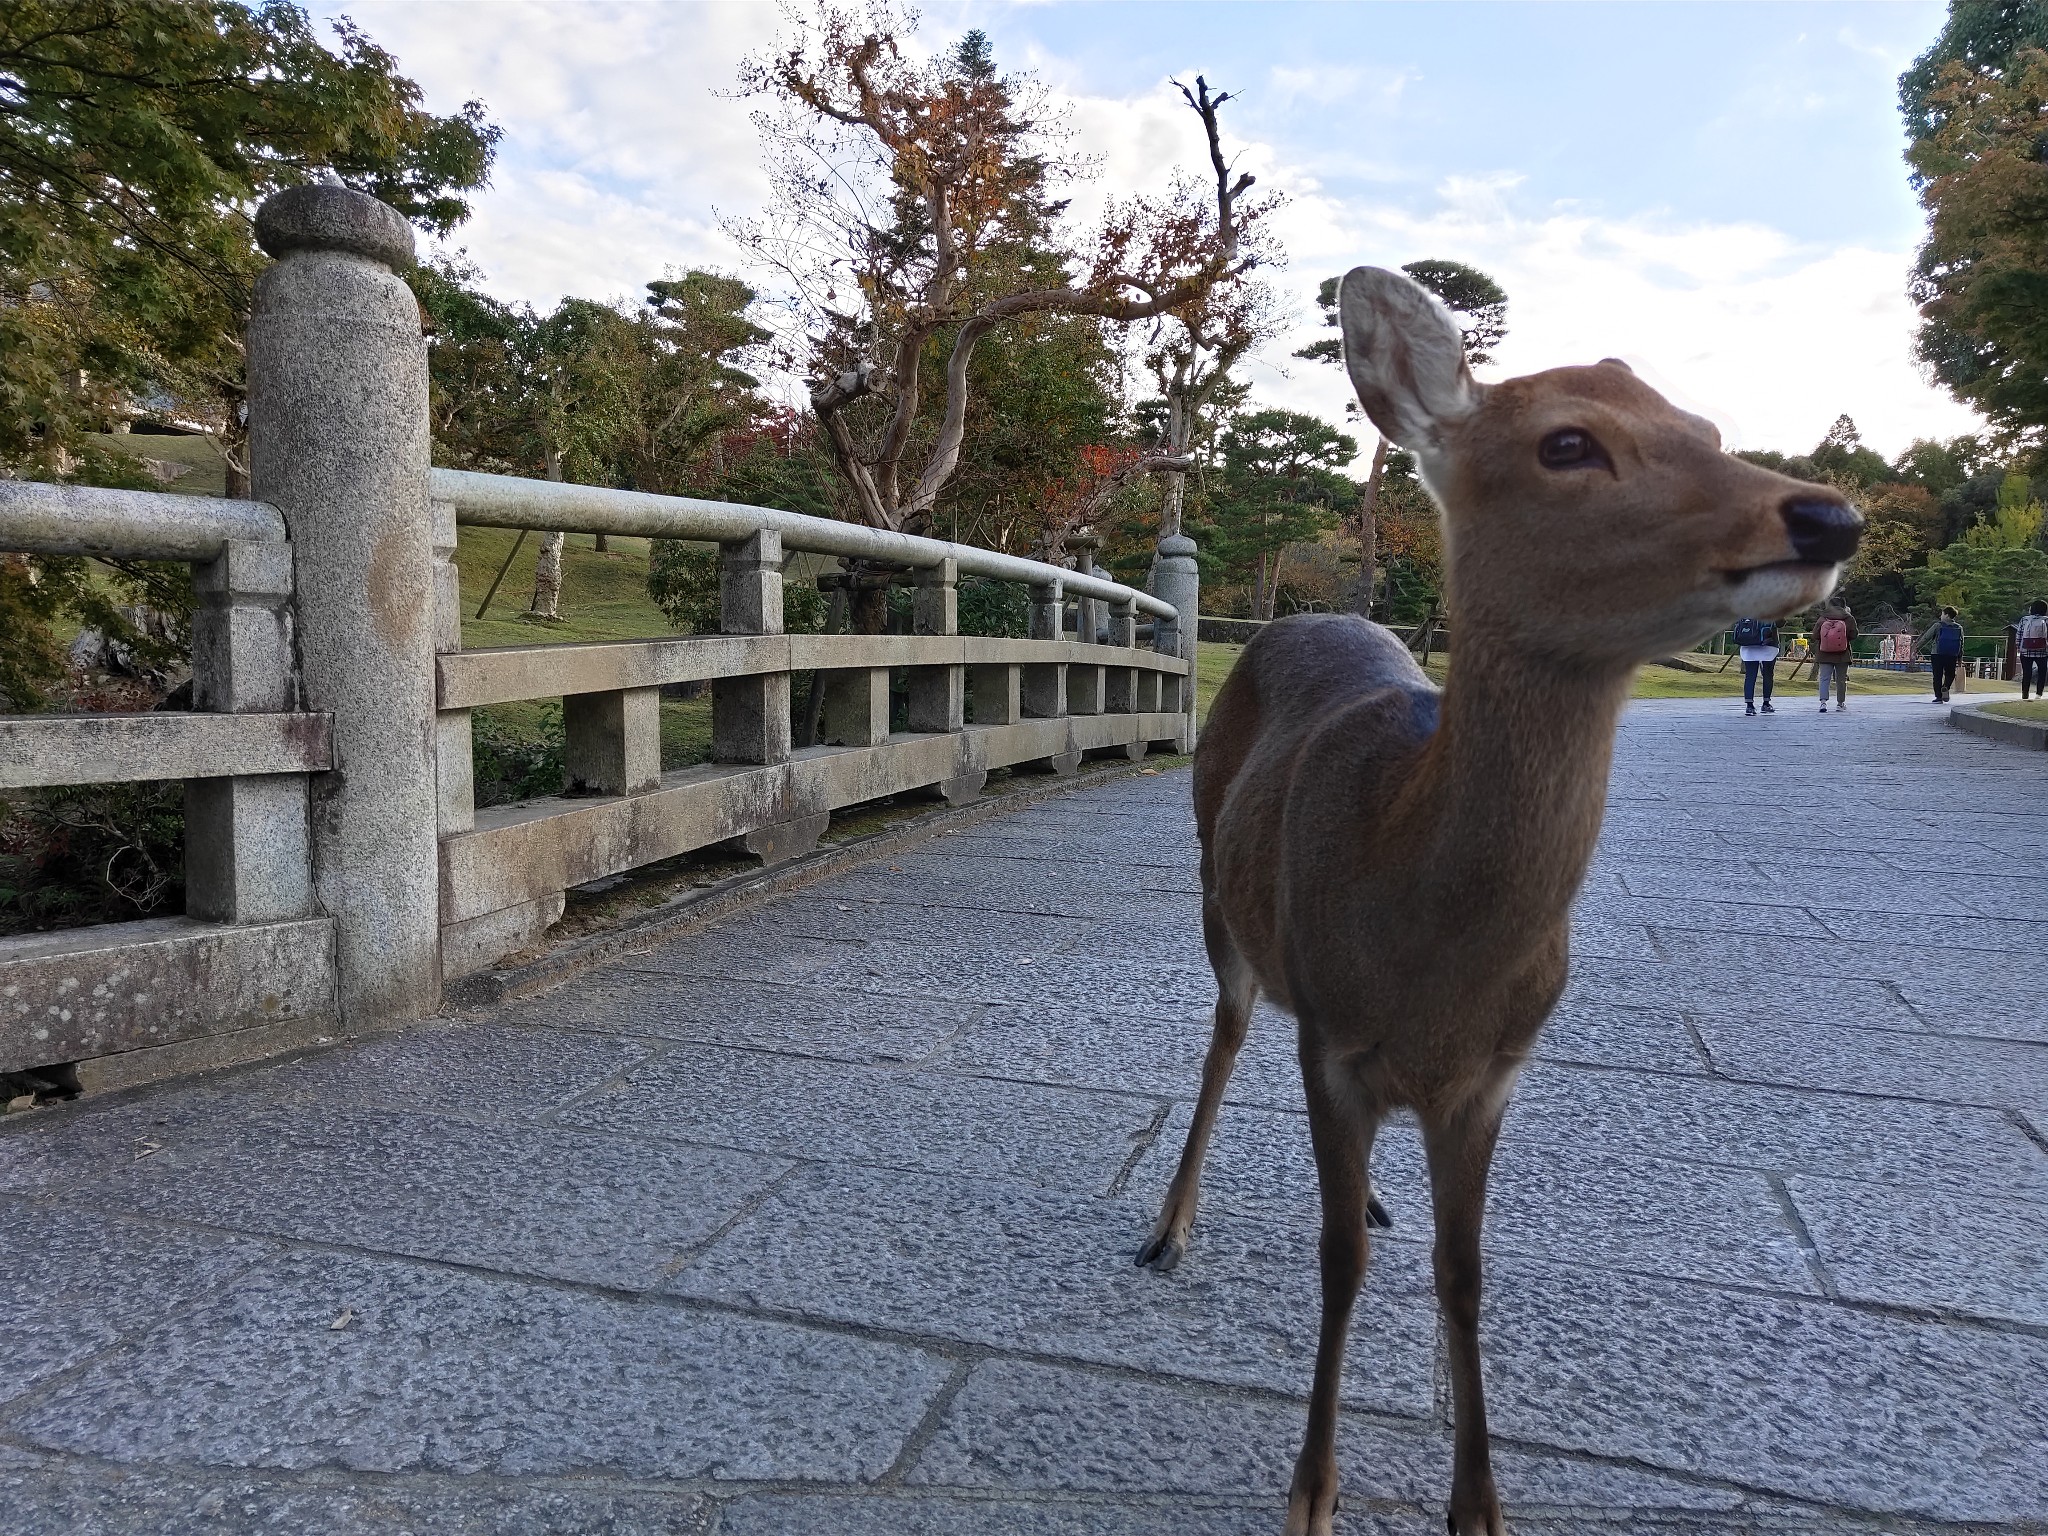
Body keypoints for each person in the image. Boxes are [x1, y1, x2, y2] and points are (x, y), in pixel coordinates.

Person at [1813, 598, 1857, 713]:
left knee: (1824, 678)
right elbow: (1854, 635)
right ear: (1843, 606)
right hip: (1842, 654)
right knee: (1841, 679)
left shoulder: (1823, 618)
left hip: (1824, 653)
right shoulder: (1848, 618)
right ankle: (1840, 703)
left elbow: (1815, 635)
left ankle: (1823, 703)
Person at [1731, 615, 1780, 715]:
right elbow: (1780, 623)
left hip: (1748, 645)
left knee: (1750, 676)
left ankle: (1749, 706)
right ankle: (1766, 703)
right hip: (1768, 645)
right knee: (1768, 674)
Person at [1917, 606, 1965, 703]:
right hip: (1952, 655)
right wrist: (1960, 658)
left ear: (1947, 615)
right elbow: (1961, 643)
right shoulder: (1959, 627)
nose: (1941, 616)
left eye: (1942, 614)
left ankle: (1939, 697)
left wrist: (1916, 648)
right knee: (1950, 674)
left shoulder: (1938, 625)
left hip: (1937, 654)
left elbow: (1926, 637)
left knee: (1937, 675)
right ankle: (1946, 687)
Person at [2019, 598, 2048, 700]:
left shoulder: (2025, 619)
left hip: (2026, 651)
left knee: (2027, 673)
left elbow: (2019, 635)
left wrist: (2020, 648)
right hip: (2042, 651)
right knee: (2042, 673)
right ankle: (2038, 694)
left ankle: (2025, 694)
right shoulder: (2046, 620)